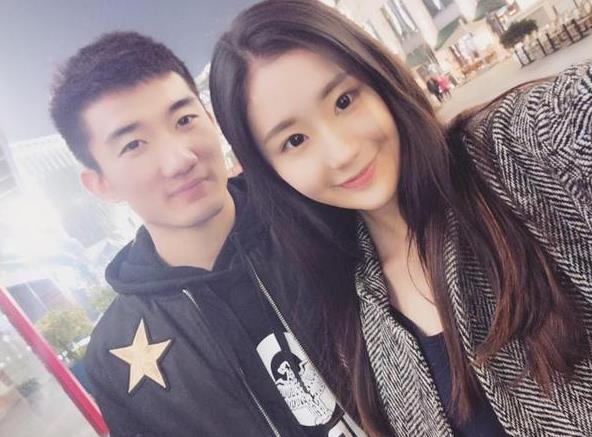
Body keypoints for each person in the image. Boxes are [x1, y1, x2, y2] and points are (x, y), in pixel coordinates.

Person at [209, 1, 592, 436]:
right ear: (271, 172)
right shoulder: (353, 303)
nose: (341, 152)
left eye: (344, 100)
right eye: (295, 140)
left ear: (378, 77)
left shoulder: (509, 155)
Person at [49, 31, 364, 437]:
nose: (180, 160)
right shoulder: (115, 356)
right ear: (101, 184)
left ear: (211, 120)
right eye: (134, 145)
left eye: (184, 120)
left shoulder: (321, 218)